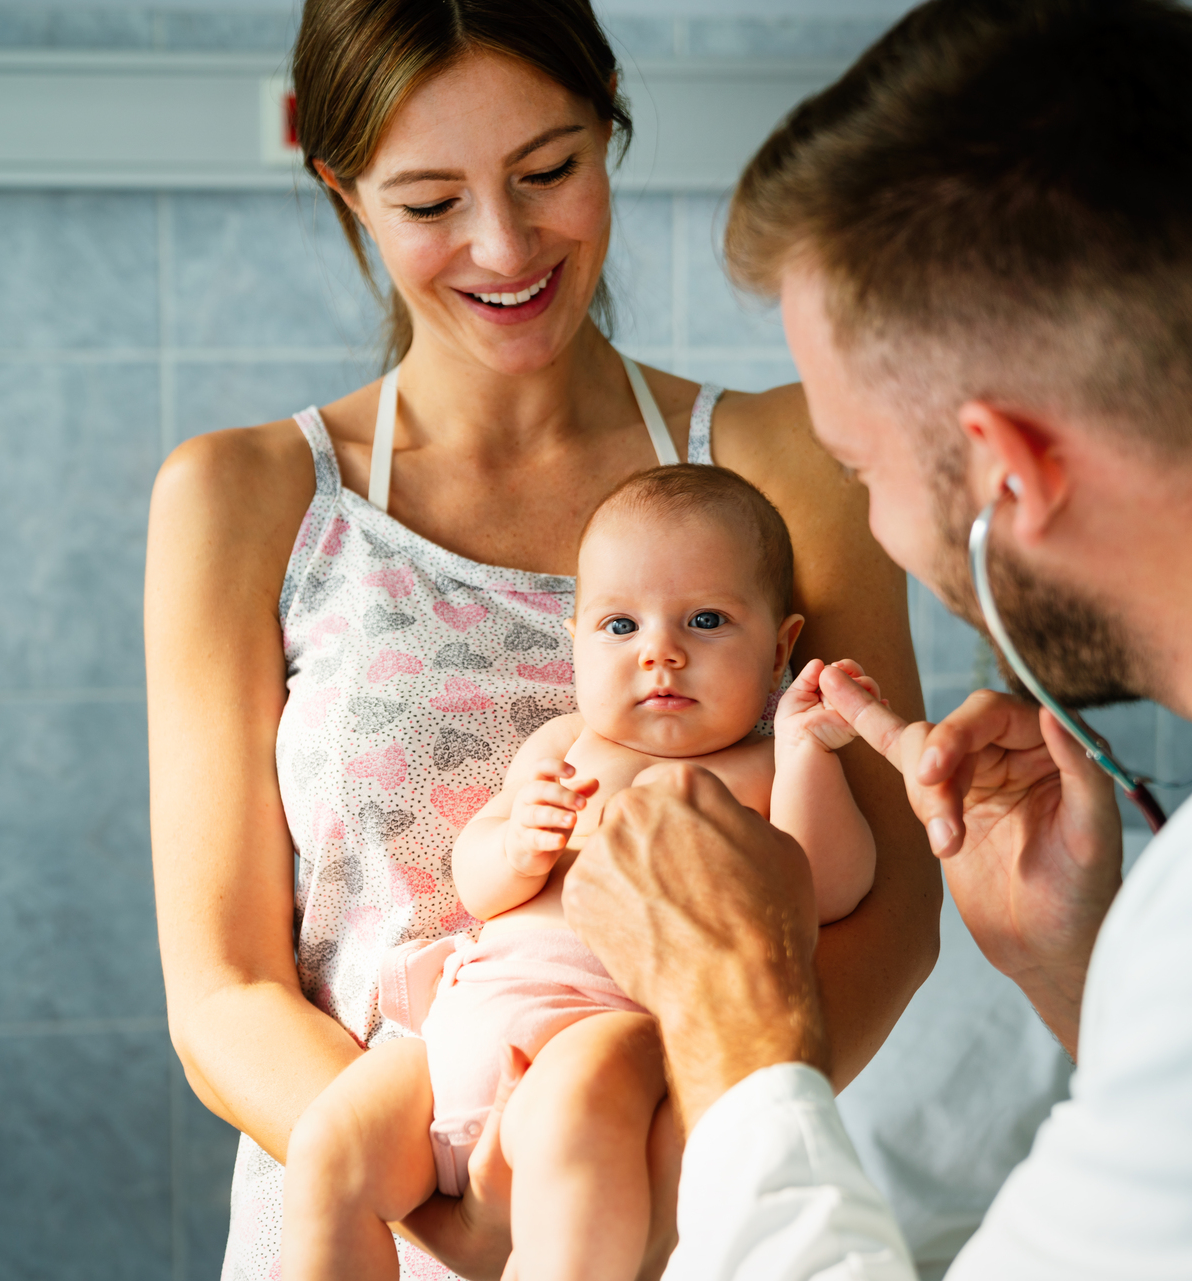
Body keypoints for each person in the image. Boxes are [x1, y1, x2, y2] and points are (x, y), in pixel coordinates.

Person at [559, 0, 1192, 1276]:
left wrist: (733, 1017)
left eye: (863, 472)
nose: (885, 536)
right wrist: (1077, 974)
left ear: (1005, 476)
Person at [142, 1, 945, 1276]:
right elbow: (224, 995)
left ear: (607, 118)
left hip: (670, 1198)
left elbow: (892, 912)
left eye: (548, 170)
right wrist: (456, 1214)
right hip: (368, 1202)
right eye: (428, 202)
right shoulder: (243, 499)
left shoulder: (780, 464)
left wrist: (661, 1160)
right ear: (342, 187)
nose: (505, 246)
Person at [280, 465, 881, 1281]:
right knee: (326, 1150)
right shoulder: (563, 746)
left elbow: (830, 889)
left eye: (706, 621)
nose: (660, 652)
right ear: (575, 642)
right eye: (620, 625)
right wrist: (515, 844)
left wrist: (809, 751)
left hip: (602, 1031)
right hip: (454, 1036)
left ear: (779, 647)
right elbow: (474, 881)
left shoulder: (767, 768)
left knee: (574, 1130)